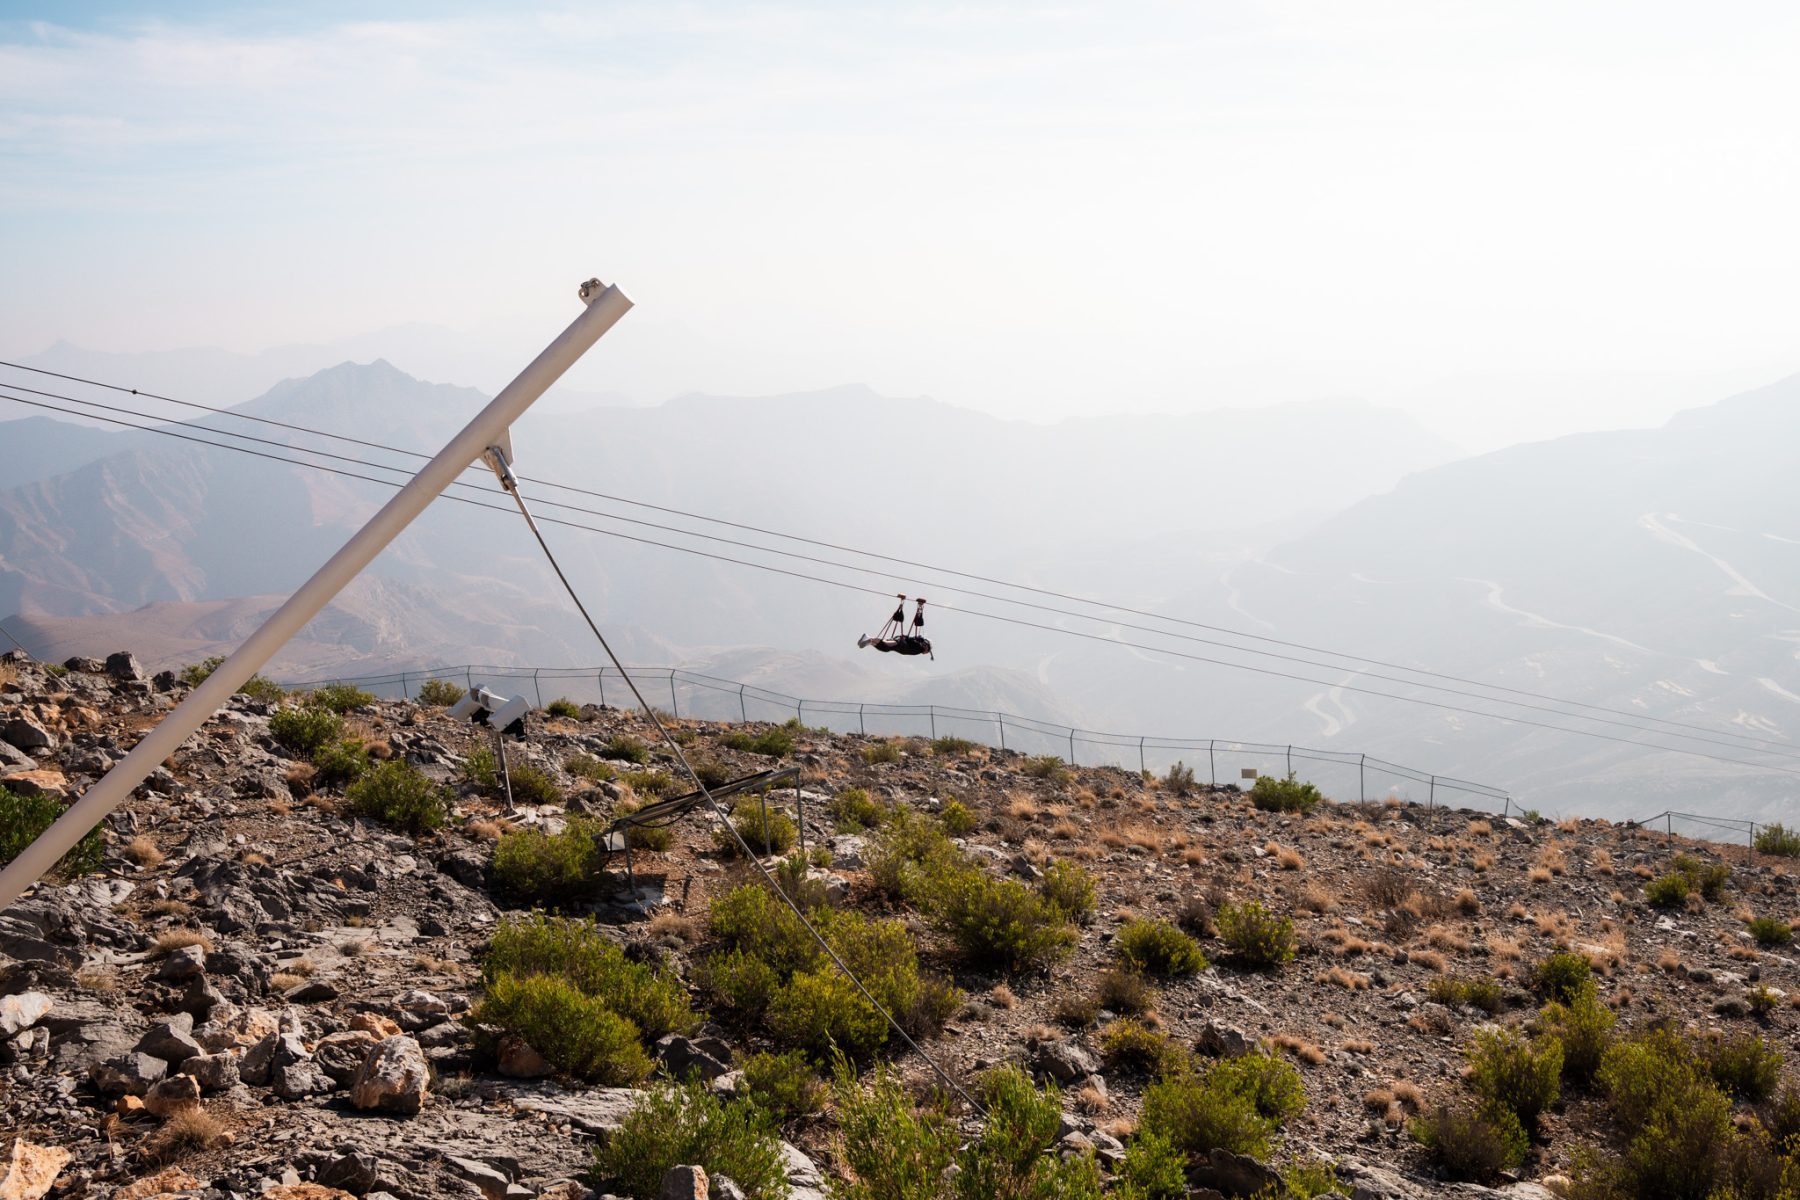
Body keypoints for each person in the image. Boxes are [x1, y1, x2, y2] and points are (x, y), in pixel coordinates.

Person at [858, 597, 933, 658]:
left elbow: (911, 640)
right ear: (926, 647)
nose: (926, 652)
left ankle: (869, 640)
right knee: (885, 644)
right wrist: (920, 608)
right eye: (928, 651)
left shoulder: (918, 647)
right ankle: (869, 639)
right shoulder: (919, 647)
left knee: (885, 648)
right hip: (900, 643)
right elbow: (910, 640)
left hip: (899, 645)